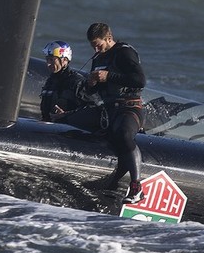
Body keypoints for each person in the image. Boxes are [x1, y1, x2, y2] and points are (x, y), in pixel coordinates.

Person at [58, 23, 147, 204]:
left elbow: (140, 80)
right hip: (108, 110)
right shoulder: (98, 59)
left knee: (123, 135)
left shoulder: (124, 52)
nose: (96, 49)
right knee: (66, 121)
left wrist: (108, 76)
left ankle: (136, 186)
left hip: (129, 108)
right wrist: (91, 85)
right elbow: (93, 93)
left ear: (108, 38)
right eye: (93, 46)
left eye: (99, 44)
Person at [39, 40, 93, 121]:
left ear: (64, 60)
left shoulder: (77, 82)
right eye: (47, 59)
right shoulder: (50, 82)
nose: (48, 64)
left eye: (52, 60)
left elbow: (93, 108)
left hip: (68, 129)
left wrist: (66, 115)